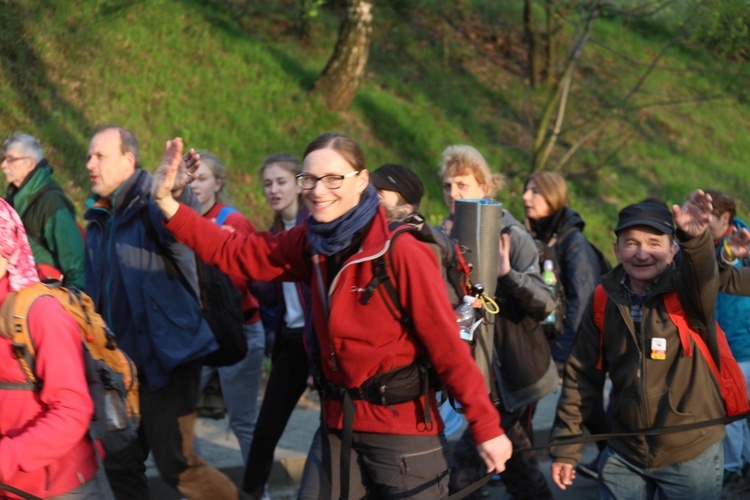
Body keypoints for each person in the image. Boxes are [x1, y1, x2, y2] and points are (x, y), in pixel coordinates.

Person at [152, 132, 512, 499]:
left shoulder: (401, 252)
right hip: (338, 427)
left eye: (333, 178)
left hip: (404, 437)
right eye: (309, 179)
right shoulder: (312, 241)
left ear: (362, 180)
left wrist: (487, 427)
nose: (318, 190)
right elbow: (238, 251)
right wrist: (169, 203)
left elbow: (447, 348)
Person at [82, 126, 240, 499]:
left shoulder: (150, 203)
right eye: (89, 155)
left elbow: (178, 224)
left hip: (166, 360)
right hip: (119, 370)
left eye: (99, 156)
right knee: (119, 466)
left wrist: (176, 192)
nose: (89, 164)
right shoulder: (98, 219)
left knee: (178, 468)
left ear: (128, 160)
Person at [550, 193, 726, 499]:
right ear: (617, 250)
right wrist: (566, 447)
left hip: (690, 452)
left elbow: (703, 276)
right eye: (631, 243)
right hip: (625, 453)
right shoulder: (603, 298)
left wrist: (695, 241)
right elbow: (581, 377)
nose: (642, 253)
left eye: (654, 243)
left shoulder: (689, 294)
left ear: (672, 251)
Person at [439, 145, 558, 499]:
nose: (453, 194)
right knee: (512, 465)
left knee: (463, 475)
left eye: (462, 184)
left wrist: (508, 276)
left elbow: (546, 303)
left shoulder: (511, 233)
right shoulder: (442, 234)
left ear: (485, 186)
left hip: (512, 374)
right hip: (473, 374)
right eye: (447, 186)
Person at [0, 198, 113, 499]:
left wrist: (5, 458)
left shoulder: (40, 313)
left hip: (60, 489)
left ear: (6, 249)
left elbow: (73, 409)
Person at [522, 171, 611, 479]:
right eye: (526, 191)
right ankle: (610, 461)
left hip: (582, 342)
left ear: (554, 196)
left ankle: (615, 464)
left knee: (584, 404)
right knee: (589, 406)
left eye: (535, 192)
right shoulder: (543, 236)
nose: (525, 197)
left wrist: (562, 354)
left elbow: (583, 302)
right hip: (561, 341)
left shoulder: (573, 242)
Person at [243, 153, 313, 499]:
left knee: (337, 427)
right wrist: (247, 266)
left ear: (300, 185)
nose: (273, 189)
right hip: (289, 341)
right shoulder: (272, 233)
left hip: (318, 340)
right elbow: (271, 298)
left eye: (281, 181)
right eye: (268, 183)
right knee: (265, 431)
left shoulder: (314, 226)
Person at [190, 151, 265, 466]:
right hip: (196, 334)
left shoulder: (232, 220)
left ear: (217, 184)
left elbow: (246, 279)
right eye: (190, 178)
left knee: (242, 421)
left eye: (202, 178)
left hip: (240, 330)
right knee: (177, 411)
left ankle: (257, 491)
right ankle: (196, 486)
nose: (194, 185)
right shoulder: (178, 219)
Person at [705, 189, 750, 494]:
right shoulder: (698, 247)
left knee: (734, 414)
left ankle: (734, 470)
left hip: (742, 346)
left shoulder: (744, 245)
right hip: (716, 348)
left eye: (706, 216)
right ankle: (738, 467)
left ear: (725, 218)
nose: (701, 222)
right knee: (734, 414)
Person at [2, 133, 85, 288]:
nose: (3, 165)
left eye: (11, 159)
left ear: (30, 163)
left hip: (46, 297)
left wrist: (75, 302)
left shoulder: (52, 202)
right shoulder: (11, 200)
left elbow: (75, 263)